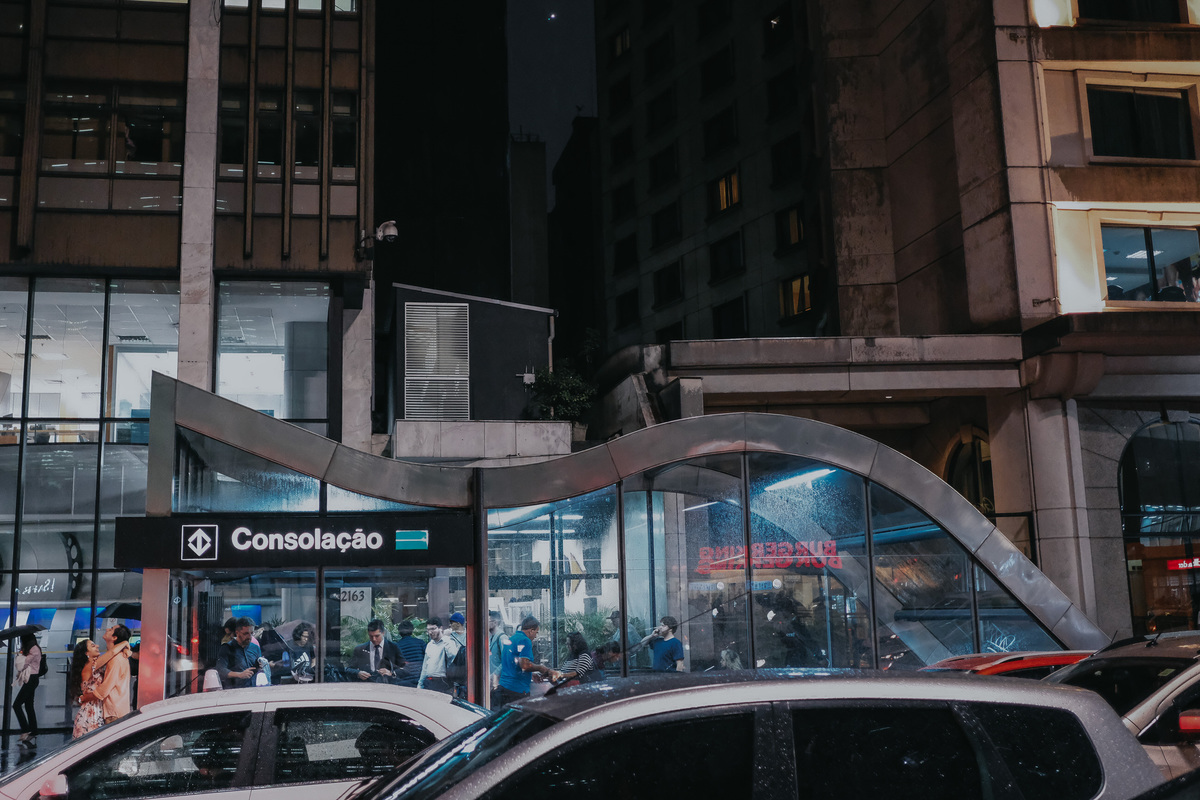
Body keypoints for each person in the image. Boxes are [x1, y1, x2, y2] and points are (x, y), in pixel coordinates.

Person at [68, 638, 132, 738]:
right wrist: (124, 642)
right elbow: (112, 652)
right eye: (93, 646)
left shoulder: (93, 666)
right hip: (91, 713)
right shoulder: (91, 665)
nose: (97, 646)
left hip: (94, 711)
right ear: (86, 653)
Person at [494, 616, 560, 707]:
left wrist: (530, 675)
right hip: (517, 690)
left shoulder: (511, 639)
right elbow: (524, 665)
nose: (536, 636)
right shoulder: (525, 640)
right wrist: (541, 668)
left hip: (504, 688)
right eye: (536, 632)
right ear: (531, 630)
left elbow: (512, 664)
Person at [90, 625, 134, 724]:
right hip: (115, 709)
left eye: (111, 629)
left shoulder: (116, 659)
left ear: (114, 638)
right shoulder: (117, 656)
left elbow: (106, 687)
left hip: (113, 712)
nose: (106, 629)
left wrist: (86, 697)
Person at [215, 617, 263, 689]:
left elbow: (258, 667)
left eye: (252, 633)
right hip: (234, 690)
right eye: (246, 633)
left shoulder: (255, 648)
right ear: (237, 633)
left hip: (253, 689)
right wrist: (239, 674)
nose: (250, 637)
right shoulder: (227, 648)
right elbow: (221, 670)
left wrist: (262, 665)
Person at [13, 633, 42, 748]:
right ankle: (34, 731)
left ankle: (25, 729)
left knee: (16, 705)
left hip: (31, 679)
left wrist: (20, 655)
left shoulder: (34, 650)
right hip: (31, 679)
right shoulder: (33, 649)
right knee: (29, 705)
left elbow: (22, 665)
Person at [417, 617, 460, 694]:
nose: (430, 632)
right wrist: (420, 684)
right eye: (428, 629)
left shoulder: (448, 641)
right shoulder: (430, 645)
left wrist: (446, 637)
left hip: (443, 681)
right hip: (429, 681)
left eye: (433, 629)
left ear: (440, 628)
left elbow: (453, 655)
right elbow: (425, 666)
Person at [394, 620, 426, 688]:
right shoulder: (420, 643)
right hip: (419, 679)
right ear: (412, 631)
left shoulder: (396, 646)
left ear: (400, 633)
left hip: (404, 682)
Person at [488, 611, 509, 694]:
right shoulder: (492, 637)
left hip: (499, 683)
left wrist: (495, 674)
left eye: (488, 621)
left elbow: (506, 660)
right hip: (493, 682)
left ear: (495, 622)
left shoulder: (502, 638)